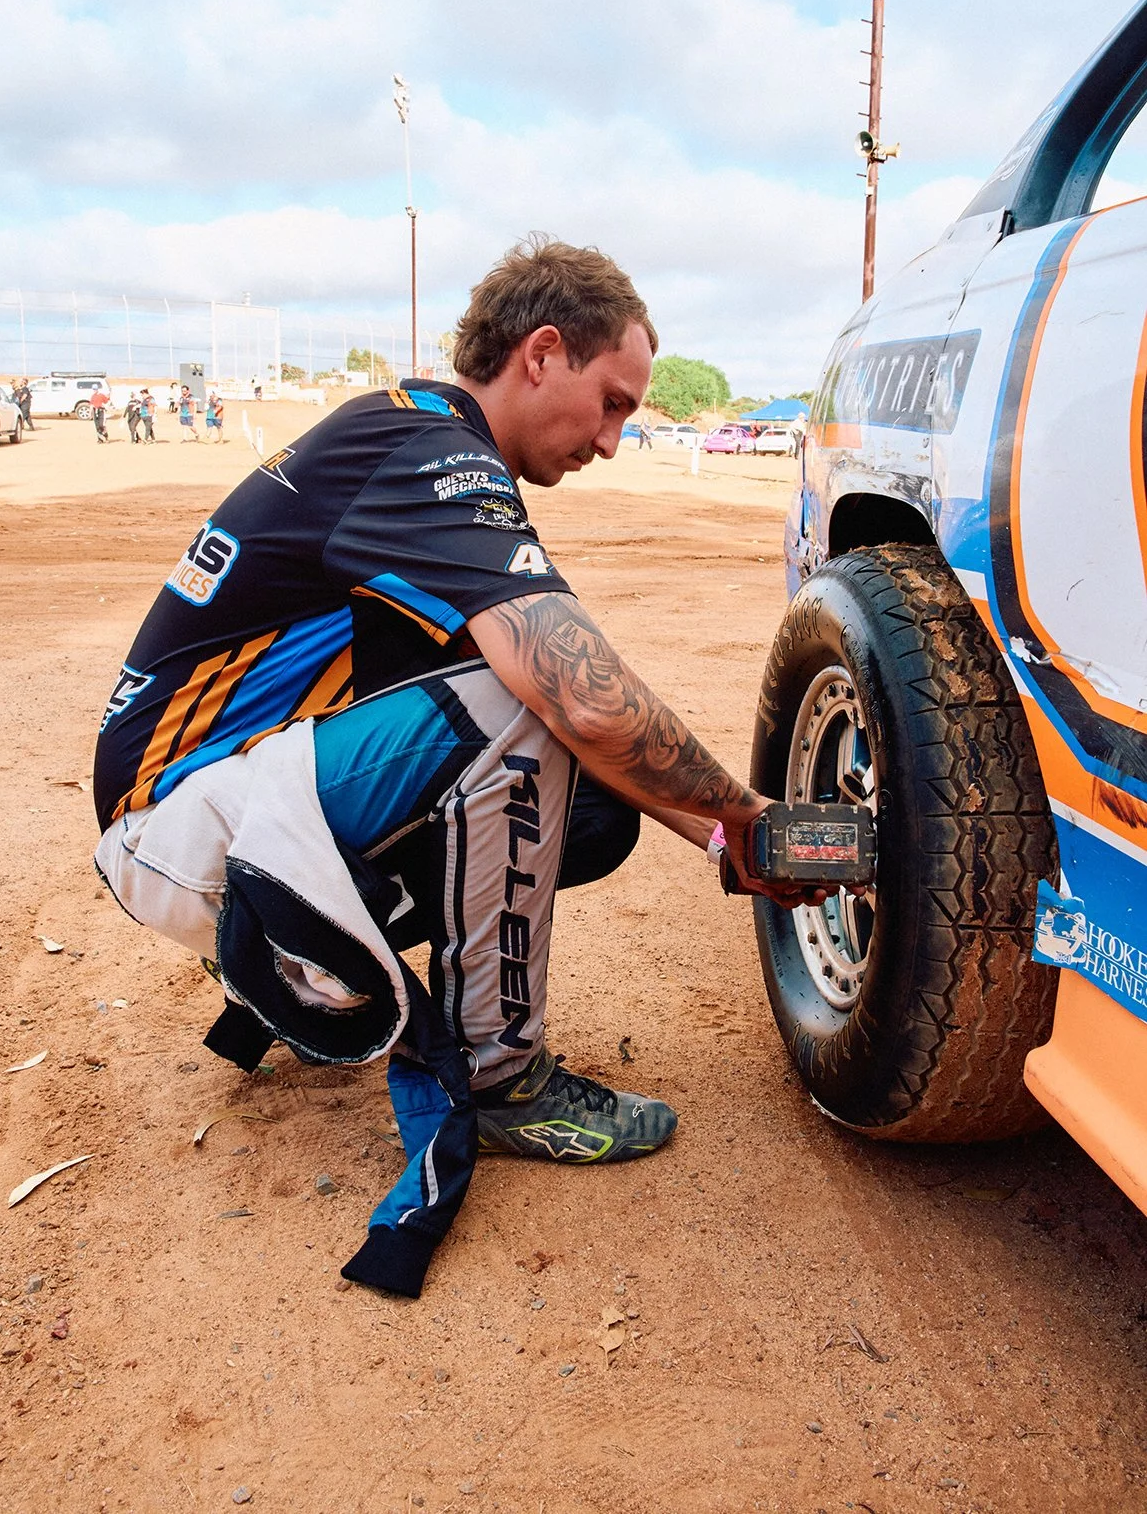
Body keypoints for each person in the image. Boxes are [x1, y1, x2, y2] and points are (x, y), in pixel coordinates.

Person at [92, 238, 816, 1297]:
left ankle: (304, 959)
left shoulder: (413, 441)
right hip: (179, 825)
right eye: (610, 402)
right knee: (521, 703)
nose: (614, 441)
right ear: (539, 354)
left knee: (590, 803)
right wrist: (746, 815)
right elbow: (573, 689)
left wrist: (715, 832)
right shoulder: (427, 450)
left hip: (218, 808)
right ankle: (501, 1077)